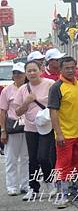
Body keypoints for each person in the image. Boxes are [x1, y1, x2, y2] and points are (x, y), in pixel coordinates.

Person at [48, 57, 78, 208]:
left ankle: (73, 191)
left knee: (76, 164)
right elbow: (53, 112)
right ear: (60, 69)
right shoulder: (56, 87)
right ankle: (61, 195)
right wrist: (58, 133)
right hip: (65, 134)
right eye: (67, 68)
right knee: (63, 165)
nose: (71, 70)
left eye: (73, 67)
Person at [14, 61, 56, 201]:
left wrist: (38, 100)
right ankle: (33, 188)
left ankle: (50, 182)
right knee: (32, 159)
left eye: (34, 70)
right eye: (29, 71)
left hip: (46, 126)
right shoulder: (22, 90)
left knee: (43, 156)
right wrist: (26, 101)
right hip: (30, 128)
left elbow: (57, 104)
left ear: (40, 70)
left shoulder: (50, 84)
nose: (32, 73)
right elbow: (18, 112)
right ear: (26, 73)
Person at [0, 63, 29, 196]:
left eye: (20, 73)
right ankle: (11, 186)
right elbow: (2, 112)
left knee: (26, 158)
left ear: (25, 75)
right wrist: (3, 131)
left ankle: (26, 184)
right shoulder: (7, 91)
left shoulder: (29, 88)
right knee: (11, 159)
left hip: (28, 127)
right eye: (15, 73)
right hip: (13, 128)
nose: (17, 75)